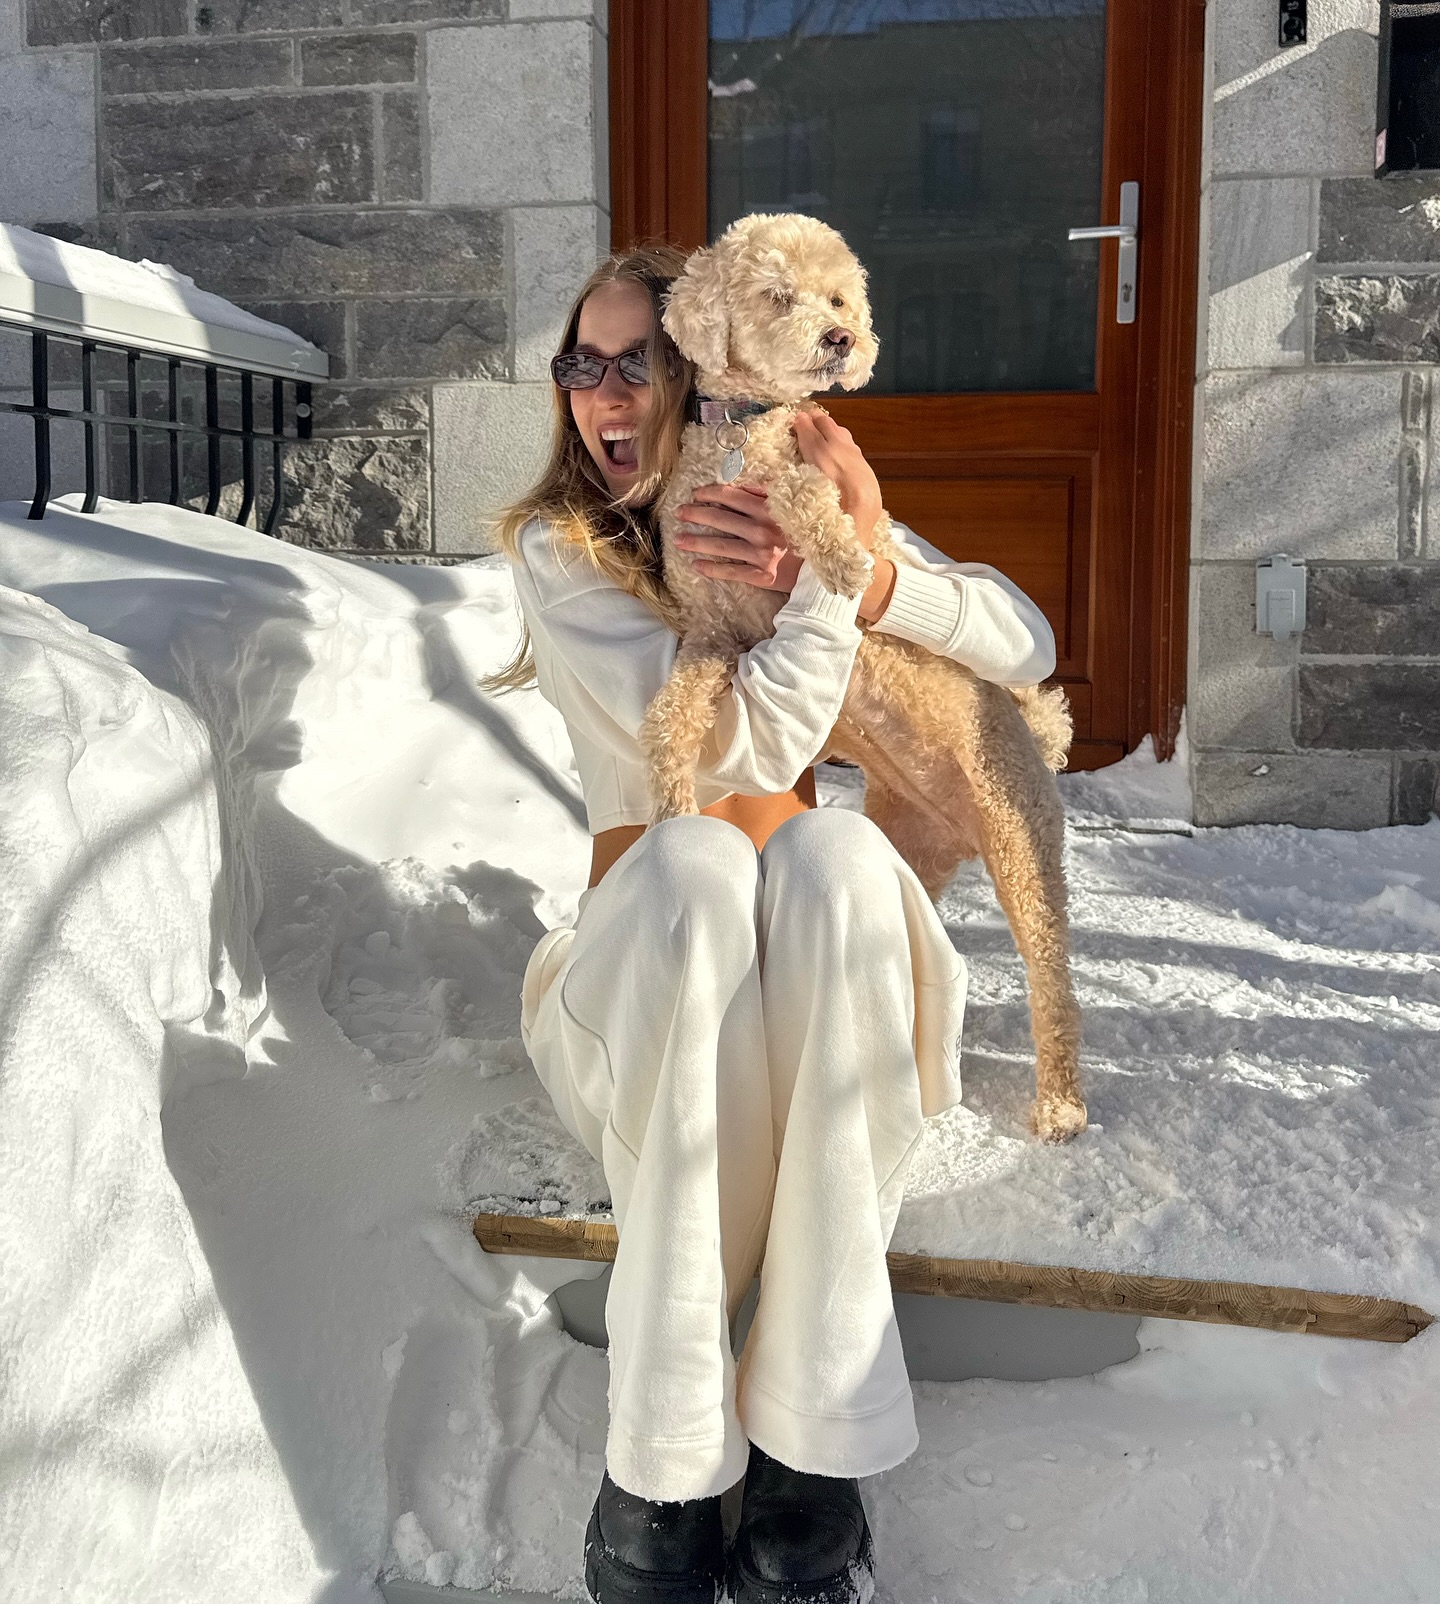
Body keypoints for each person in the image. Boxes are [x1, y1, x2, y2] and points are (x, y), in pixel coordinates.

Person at [489, 245, 1057, 1604]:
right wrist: (811, 604)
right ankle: (664, 1450)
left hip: (817, 1001)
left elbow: (1025, 640)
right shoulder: (560, 555)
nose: (602, 394)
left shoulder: (791, 501)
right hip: (650, 1002)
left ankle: (810, 1448)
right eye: (583, 361)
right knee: (698, 861)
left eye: (637, 365)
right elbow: (737, 754)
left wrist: (856, 579)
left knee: (842, 858)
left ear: (709, 384)